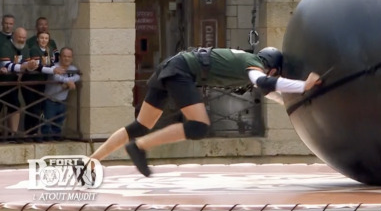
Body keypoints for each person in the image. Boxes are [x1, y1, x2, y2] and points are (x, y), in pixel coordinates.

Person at [88, 47, 321, 177]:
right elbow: (265, 83)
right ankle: (139, 147)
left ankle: (91, 160)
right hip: (181, 71)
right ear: (272, 68)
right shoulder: (254, 67)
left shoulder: (247, 60)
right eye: (275, 73)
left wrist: (289, 103)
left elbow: (269, 92)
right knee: (199, 126)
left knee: (140, 126)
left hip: (172, 65)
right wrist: (304, 86)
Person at [23, 32, 64, 141]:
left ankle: (35, 133)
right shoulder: (34, 49)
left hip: (42, 83)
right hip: (31, 82)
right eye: (42, 38)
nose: (44, 40)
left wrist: (55, 69)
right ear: (37, 39)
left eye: (46, 38)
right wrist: (53, 70)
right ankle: (28, 133)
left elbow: (50, 64)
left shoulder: (49, 49)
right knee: (32, 108)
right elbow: (37, 66)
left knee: (39, 108)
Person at [0, 28, 37, 140]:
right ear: (14, 36)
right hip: (1, 82)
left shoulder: (25, 47)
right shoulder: (5, 47)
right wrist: (25, 67)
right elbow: (8, 65)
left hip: (12, 82)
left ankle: (13, 134)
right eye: (20, 37)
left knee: (15, 106)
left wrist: (29, 67)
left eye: (24, 37)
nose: (22, 40)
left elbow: (26, 63)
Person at [42, 47, 80, 141]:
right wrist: (68, 81)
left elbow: (78, 76)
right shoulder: (54, 67)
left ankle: (56, 135)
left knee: (59, 120)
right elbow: (56, 77)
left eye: (69, 57)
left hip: (62, 100)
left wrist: (69, 81)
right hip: (50, 100)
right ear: (60, 57)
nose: (66, 58)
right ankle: (45, 137)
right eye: (64, 56)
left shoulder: (72, 69)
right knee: (47, 120)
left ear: (71, 58)